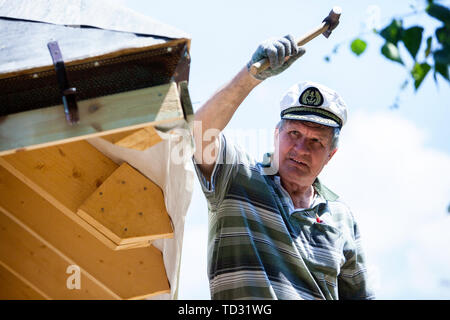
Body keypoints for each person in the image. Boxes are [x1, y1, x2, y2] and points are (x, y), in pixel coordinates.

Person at [192, 35, 375, 300]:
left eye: (316, 141)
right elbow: (197, 132)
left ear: (330, 155)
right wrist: (251, 76)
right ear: (276, 135)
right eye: (294, 134)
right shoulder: (236, 178)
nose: (301, 149)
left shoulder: (341, 216)